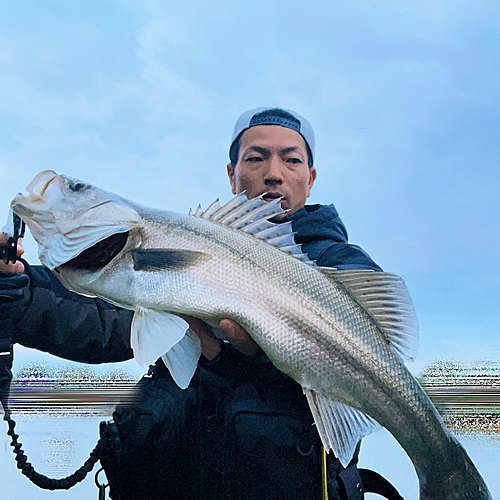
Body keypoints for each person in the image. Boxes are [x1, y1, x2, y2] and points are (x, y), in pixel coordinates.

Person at [0, 107, 399, 500]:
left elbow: (370, 370)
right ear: (232, 174)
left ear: (310, 180)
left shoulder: (339, 267)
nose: (273, 172)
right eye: (256, 158)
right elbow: (105, 319)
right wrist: (18, 293)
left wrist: (241, 361)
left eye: (291, 159)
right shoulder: (184, 247)